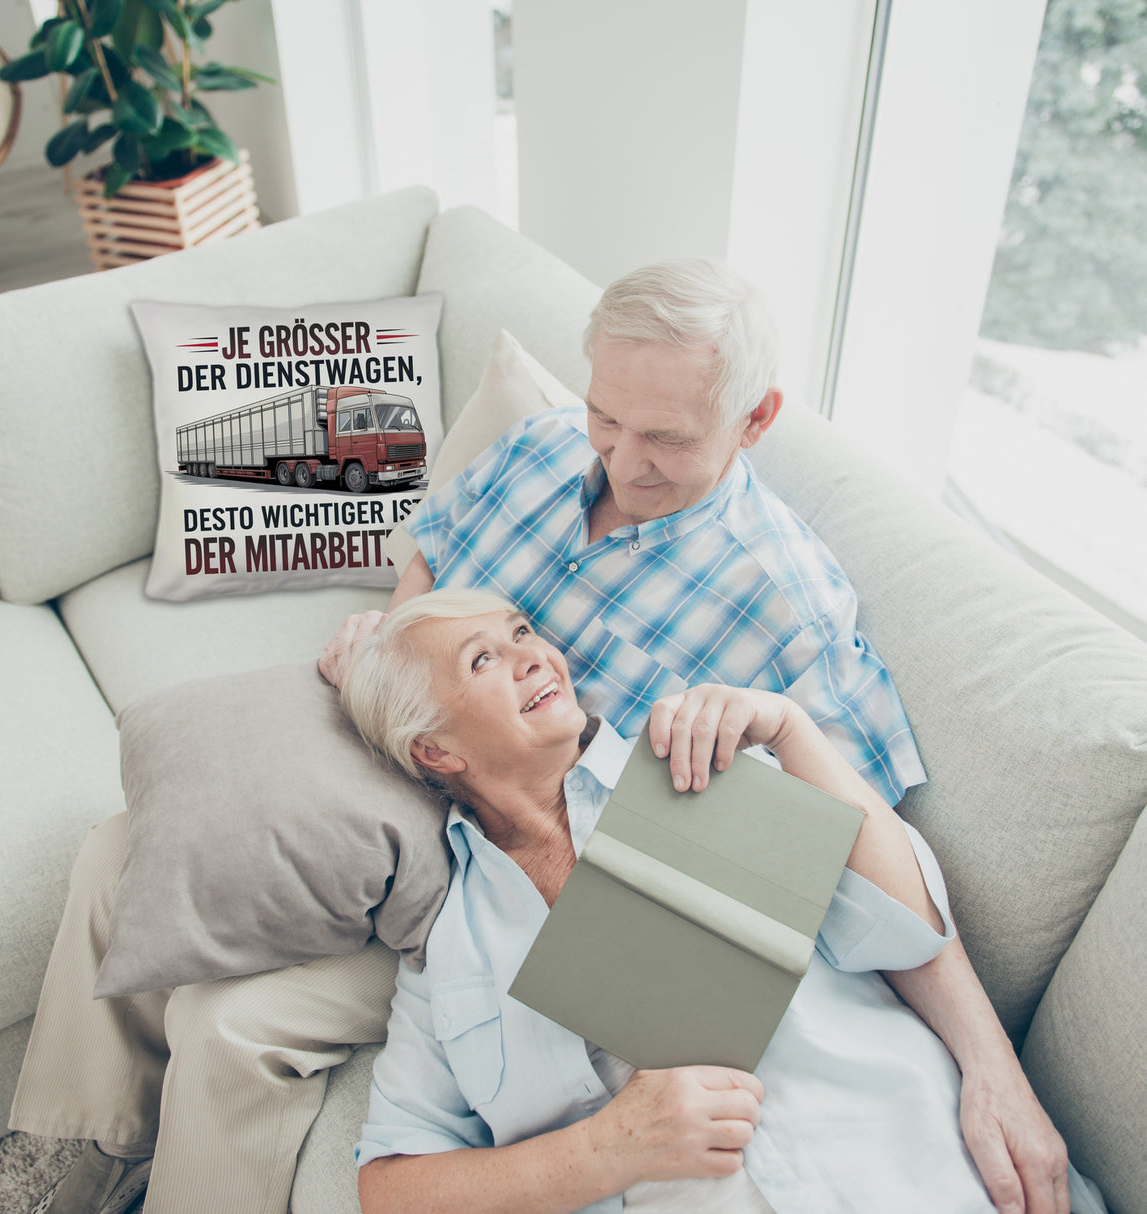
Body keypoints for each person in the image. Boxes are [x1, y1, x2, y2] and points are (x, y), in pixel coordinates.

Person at [321, 259, 1069, 1213]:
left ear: (755, 420)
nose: (622, 463)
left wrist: (991, 1067)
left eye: (665, 438)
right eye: (607, 418)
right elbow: (434, 548)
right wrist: (396, 657)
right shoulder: (542, 451)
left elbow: (876, 884)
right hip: (428, 836)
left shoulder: (765, 656)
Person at [340, 589, 1092, 1214]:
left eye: (522, 632)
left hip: (918, 1167)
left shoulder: (695, 762)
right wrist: (608, 1149)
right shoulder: (450, 952)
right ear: (435, 750)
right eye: (483, 659)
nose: (533, 655)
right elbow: (391, 1188)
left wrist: (791, 730)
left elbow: (906, 929)